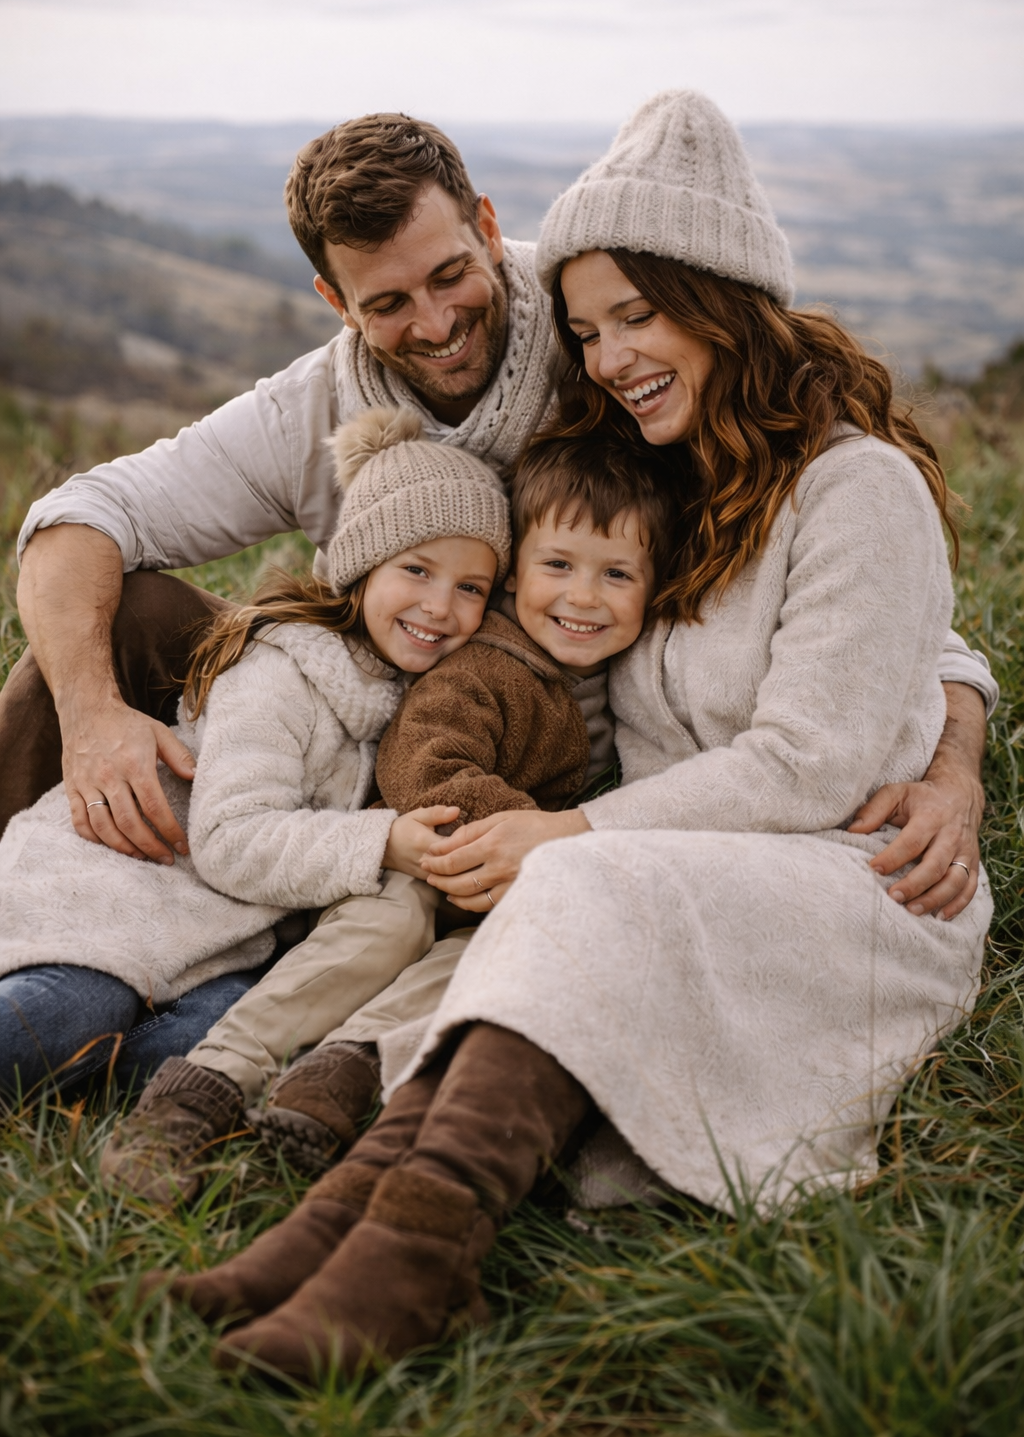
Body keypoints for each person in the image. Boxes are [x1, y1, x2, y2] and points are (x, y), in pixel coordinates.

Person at [148, 90, 995, 1384]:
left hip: (856, 882)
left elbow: (815, 758)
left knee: (579, 879)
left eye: (637, 316)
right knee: (573, 889)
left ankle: (406, 1261)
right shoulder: (664, 474)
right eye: (588, 329)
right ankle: (347, 1230)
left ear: (722, 299)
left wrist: (951, 763)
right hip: (680, 867)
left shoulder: (857, 487)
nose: (605, 357)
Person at [4, 114, 995, 949]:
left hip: (535, 769)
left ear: (486, 224)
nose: (436, 322)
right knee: (114, 619)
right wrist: (93, 720)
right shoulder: (305, 411)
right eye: (388, 303)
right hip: (355, 727)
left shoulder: (608, 351)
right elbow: (78, 517)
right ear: (335, 302)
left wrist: (951, 772)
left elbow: (878, 601)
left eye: (449, 274)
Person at [103, 429, 675, 1199]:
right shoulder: (484, 665)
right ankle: (204, 1087)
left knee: (484, 957)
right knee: (391, 925)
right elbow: (423, 765)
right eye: (559, 567)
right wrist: (537, 842)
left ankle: (337, 1077)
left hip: (494, 885)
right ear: (517, 578)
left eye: (617, 575)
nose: (583, 596)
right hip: (413, 858)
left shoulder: (613, 683)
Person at [0, 410, 510, 1126]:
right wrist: (383, 842)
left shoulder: (417, 701)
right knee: (76, 1010)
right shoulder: (283, 671)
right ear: (362, 566)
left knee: (190, 1054)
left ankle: (79, 1087)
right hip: (123, 886)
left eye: (471, 588)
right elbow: (229, 839)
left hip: (223, 939)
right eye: (417, 570)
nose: (439, 606)